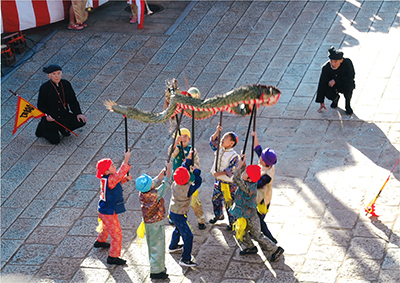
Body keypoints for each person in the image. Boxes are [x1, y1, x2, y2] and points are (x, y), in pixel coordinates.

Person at [229, 154, 284, 262]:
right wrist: (243, 163)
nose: (243, 174)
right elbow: (242, 176)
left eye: (245, 173)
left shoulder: (247, 187)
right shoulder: (249, 182)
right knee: (242, 231)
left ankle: (275, 250)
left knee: (257, 235)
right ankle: (250, 247)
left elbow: (235, 178)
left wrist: (239, 167)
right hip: (244, 213)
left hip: (251, 215)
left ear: (249, 179)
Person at [135, 160, 173, 280]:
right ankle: (157, 271)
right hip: (156, 223)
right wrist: (169, 169)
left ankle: (155, 266)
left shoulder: (142, 193)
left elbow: (155, 182)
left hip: (149, 223)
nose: (153, 181)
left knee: (152, 245)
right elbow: (166, 184)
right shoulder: (154, 195)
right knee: (158, 246)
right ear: (150, 187)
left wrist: (163, 170)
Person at [94, 150, 132, 265]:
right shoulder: (111, 178)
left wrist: (125, 179)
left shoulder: (107, 179)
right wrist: (126, 158)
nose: (114, 166)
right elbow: (119, 175)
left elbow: (117, 182)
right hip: (109, 211)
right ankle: (113, 256)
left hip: (104, 209)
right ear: (106, 171)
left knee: (106, 227)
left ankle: (100, 241)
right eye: (112, 166)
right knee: (117, 234)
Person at [35, 64, 87, 144]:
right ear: (49, 76)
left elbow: (73, 101)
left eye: (58, 73)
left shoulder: (66, 84)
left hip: (63, 115)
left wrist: (78, 113)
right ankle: (42, 128)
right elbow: (41, 105)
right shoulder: (44, 88)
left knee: (81, 121)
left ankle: (62, 128)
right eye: (54, 74)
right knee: (55, 141)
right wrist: (46, 116)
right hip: (51, 118)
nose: (57, 76)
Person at [168, 150, 202, 267]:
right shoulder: (188, 189)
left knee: (178, 228)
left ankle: (173, 246)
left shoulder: (175, 183)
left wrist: (188, 160)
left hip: (173, 211)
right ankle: (185, 258)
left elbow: (181, 170)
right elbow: (198, 182)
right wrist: (196, 172)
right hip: (180, 213)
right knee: (188, 236)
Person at [169, 128, 206, 230]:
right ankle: (173, 215)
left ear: (189, 138)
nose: (184, 138)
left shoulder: (192, 150)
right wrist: (176, 142)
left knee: (194, 201)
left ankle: (201, 219)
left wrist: (190, 163)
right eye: (181, 137)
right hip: (177, 180)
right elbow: (171, 154)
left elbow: (196, 164)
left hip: (189, 180)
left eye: (186, 136)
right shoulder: (176, 148)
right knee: (175, 199)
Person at [209, 123, 239, 230]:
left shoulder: (234, 156)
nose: (222, 138)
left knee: (229, 203)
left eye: (225, 138)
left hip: (228, 184)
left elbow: (232, 169)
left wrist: (220, 173)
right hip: (218, 181)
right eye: (223, 136)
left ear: (231, 143)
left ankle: (232, 223)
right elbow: (212, 143)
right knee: (215, 199)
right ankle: (219, 215)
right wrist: (217, 131)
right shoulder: (220, 149)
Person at [252, 131, 278, 244]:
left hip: (262, 200)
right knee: (257, 220)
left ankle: (270, 240)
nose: (259, 158)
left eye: (261, 158)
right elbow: (258, 149)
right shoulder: (267, 163)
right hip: (259, 197)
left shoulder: (267, 175)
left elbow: (257, 184)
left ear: (265, 162)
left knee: (259, 221)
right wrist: (255, 136)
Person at [316, 46, 355, 115]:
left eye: (336, 61)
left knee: (349, 87)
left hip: (344, 83)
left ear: (341, 60)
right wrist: (321, 101)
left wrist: (336, 80)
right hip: (332, 86)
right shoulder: (326, 68)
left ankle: (348, 105)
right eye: (331, 61)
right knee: (327, 92)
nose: (333, 64)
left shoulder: (347, 63)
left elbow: (350, 76)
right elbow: (322, 84)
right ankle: (335, 99)